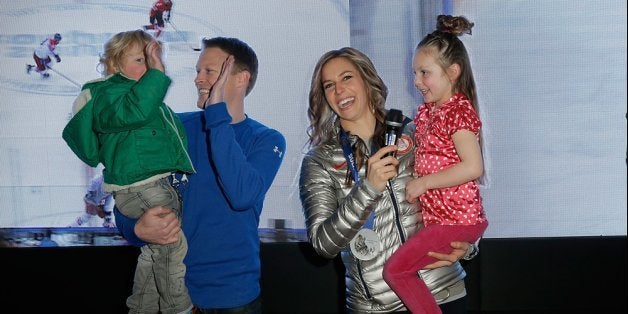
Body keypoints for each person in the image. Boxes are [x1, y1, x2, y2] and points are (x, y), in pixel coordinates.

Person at [299, 47, 478, 314]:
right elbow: (323, 245)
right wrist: (367, 189)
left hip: (442, 294)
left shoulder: (418, 132)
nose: (339, 90)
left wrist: (468, 247)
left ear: (367, 79)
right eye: (329, 85)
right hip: (375, 307)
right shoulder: (319, 161)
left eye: (347, 77)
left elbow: (461, 195)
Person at [115, 36, 286, 313]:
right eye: (197, 71)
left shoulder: (265, 140)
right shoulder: (175, 129)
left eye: (209, 71)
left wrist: (216, 116)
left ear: (241, 79)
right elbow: (128, 194)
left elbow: (241, 195)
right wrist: (134, 228)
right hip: (169, 293)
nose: (198, 79)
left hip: (233, 298)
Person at [62, 29, 195, 314]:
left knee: (155, 250)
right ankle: (179, 308)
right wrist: (157, 73)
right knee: (172, 244)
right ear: (114, 65)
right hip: (142, 185)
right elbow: (133, 112)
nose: (148, 67)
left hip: (155, 183)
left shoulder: (143, 100)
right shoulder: (109, 94)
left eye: (152, 59)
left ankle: (142, 308)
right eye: (140, 60)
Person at [382, 15, 488, 314]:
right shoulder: (429, 113)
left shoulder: (458, 112)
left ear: (453, 72)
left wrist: (424, 182)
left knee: (396, 271)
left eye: (424, 72)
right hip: (444, 221)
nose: (416, 81)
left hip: (457, 221)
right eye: (414, 72)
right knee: (400, 269)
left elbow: (473, 167)